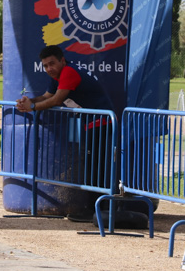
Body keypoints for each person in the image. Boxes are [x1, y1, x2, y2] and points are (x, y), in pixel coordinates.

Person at [15, 45, 115, 214]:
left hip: (102, 124)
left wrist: (32, 106)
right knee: (92, 167)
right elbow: (47, 96)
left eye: (52, 64)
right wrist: (29, 101)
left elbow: (56, 100)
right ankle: (95, 210)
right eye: (45, 65)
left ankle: (102, 210)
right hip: (92, 124)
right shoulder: (58, 75)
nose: (48, 69)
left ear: (62, 60)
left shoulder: (68, 72)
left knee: (98, 168)